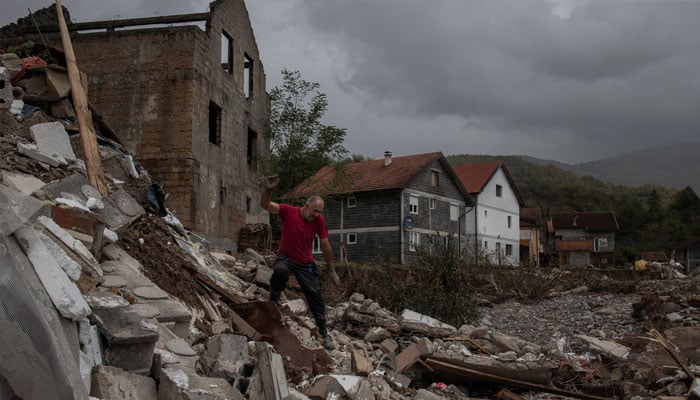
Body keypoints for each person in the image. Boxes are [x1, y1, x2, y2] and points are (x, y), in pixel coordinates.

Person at [260, 175, 340, 350]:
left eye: (319, 212)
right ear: (306, 206)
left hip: (305, 262)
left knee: (315, 295)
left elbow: (325, 246)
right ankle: (274, 300)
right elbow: (266, 205)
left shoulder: (319, 221)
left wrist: (332, 269)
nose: (317, 215)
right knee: (280, 273)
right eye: (314, 211)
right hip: (286, 257)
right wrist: (268, 190)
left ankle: (324, 333)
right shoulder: (289, 211)